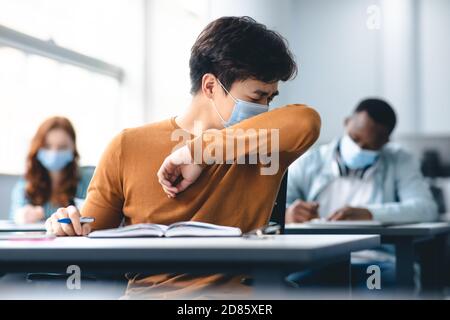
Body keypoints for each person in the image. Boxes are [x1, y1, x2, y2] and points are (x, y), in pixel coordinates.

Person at [44, 16, 321, 299]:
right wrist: (67, 222)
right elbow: (89, 236)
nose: (264, 109)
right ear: (211, 87)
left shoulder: (265, 144)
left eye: (270, 98)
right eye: (258, 96)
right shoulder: (127, 146)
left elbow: (307, 122)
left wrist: (199, 152)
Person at [286, 98, 438, 224]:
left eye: (369, 146)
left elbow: (426, 209)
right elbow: (272, 208)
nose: (358, 149)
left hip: (376, 256)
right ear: (347, 122)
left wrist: (370, 214)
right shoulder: (309, 160)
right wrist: (288, 214)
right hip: (321, 254)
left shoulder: (399, 160)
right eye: (355, 138)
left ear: (386, 142)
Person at [10, 116, 93, 224]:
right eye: (47, 146)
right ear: (37, 147)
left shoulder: (88, 180)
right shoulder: (25, 184)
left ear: (73, 148)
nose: (54, 153)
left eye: (62, 147)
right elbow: (15, 219)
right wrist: (22, 217)